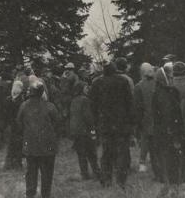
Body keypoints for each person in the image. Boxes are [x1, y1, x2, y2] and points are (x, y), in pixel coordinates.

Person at [90, 61, 135, 189]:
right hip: (121, 123)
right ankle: (121, 180)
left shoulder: (97, 83)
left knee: (106, 152)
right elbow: (129, 103)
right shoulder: (123, 81)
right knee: (122, 153)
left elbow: (93, 105)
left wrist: (96, 122)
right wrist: (131, 122)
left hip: (105, 124)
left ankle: (106, 180)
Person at [153, 65, 185, 197]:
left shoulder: (159, 93)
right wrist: (176, 135)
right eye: (170, 77)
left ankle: (170, 186)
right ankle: (173, 188)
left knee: (168, 161)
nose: (173, 79)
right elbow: (170, 115)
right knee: (173, 161)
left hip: (164, 134)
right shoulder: (169, 93)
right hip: (171, 134)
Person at [17, 80, 60, 198]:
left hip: (30, 145)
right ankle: (46, 194)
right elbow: (58, 123)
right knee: (47, 173)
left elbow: (18, 123)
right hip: (48, 145)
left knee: (31, 172)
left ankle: (30, 194)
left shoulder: (24, 105)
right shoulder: (50, 106)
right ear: (42, 92)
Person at [134, 63, 162, 179]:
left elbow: (137, 106)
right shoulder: (159, 84)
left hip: (145, 118)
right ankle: (160, 164)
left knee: (145, 141)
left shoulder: (138, 86)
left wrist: (138, 122)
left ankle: (142, 163)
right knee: (158, 142)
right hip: (159, 118)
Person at [69, 81, 100, 181]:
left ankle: (84, 174)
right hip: (85, 130)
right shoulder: (85, 100)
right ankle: (96, 172)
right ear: (81, 89)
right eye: (86, 87)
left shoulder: (73, 100)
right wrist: (93, 129)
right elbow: (88, 117)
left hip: (76, 130)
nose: (88, 89)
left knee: (81, 153)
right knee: (91, 152)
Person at [4, 79, 25, 170]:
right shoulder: (22, 100)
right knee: (18, 145)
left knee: (11, 145)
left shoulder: (8, 99)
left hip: (10, 125)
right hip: (18, 125)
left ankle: (8, 163)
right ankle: (17, 163)